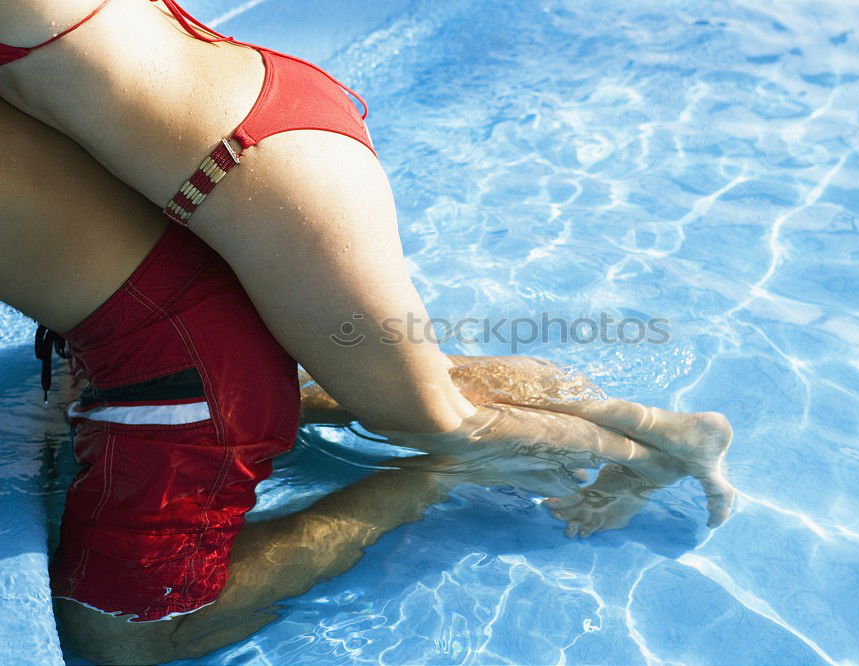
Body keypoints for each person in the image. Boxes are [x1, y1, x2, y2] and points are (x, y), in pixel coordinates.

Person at [0, 3, 736, 661]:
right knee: (391, 392)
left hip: (251, 173)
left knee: (441, 424)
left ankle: (649, 448)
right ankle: (630, 436)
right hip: (234, 123)